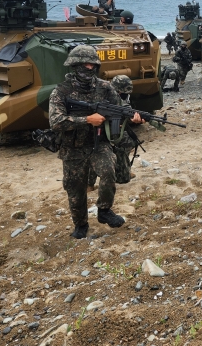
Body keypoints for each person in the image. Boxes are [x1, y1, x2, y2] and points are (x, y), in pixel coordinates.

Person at [48, 45, 126, 239]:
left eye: (92, 64)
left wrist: (131, 117)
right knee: (75, 189)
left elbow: (120, 109)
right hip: (73, 149)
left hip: (99, 143)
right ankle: (81, 224)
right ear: (74, 65)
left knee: (109, 171)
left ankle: (104, 210)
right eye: (85, 65)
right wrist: (87, 120)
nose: (89, 68)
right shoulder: (61, 92)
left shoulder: (105, 88)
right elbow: (56, 122)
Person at [87, 75, 143, 191]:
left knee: (128, 141)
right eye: (122, 94)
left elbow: (123, 113)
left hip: (111, 129)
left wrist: (130, 119)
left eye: (126, 94)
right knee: (94, 150)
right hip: (96, 130)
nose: (125, 97)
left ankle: (123, 169)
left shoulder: (122, 100)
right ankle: (89, 184)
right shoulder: (100, 94)